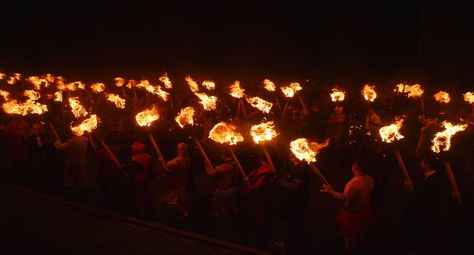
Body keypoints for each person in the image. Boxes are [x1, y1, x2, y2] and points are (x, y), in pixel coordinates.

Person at [321, 161, 375, 254]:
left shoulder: (353, 184)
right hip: (365, 212)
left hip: (353, 217)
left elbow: (344, 199)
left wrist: (330, 192)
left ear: (355, 168)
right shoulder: (369, 179)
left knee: (351, 241)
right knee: (364, 237)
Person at [404, 157, 455, 254]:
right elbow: (418, 193)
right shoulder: (422, 177)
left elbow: (433, 196)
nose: (420, 164)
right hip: (423, 214)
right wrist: (411, 188)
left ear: (427, 165)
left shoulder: (438, 178)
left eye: (422, 163)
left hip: (435, 215)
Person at [206, 149, 241, 221]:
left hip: (222, 191)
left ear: (223, 156)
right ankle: (235, 219)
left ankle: (215, 222)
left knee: (216, 207)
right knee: (232, 205)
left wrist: (206, 164)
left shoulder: (221, 167)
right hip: (233, 189)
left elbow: (210, 174)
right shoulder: (237, 165)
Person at [123, 140, 154, 217]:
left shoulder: (133, 158)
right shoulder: (149, 156)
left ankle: (142, 212)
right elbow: (152, 168)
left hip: (137, 179)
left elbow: (129, 169)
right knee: (147, 193)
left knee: (139, 196)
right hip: (147, 178)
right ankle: (150, 208)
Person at [54, 129, 88, 193]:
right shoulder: (85, 139)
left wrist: (57, 141)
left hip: (72, 161)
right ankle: (83, 186)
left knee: (69, 174)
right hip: (82, 160)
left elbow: (62, 148)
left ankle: (68, 187)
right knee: (81, 174)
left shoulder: (73, 141)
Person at [163, 143, 191, 220]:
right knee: (180, 199)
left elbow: (168, 167)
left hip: (175, 182)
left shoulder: (178, 160)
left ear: (179, 150)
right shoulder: (188, 159)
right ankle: (178, 214)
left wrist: (163, 163)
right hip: (183, 181)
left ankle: (183, 214)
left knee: (171, 200)